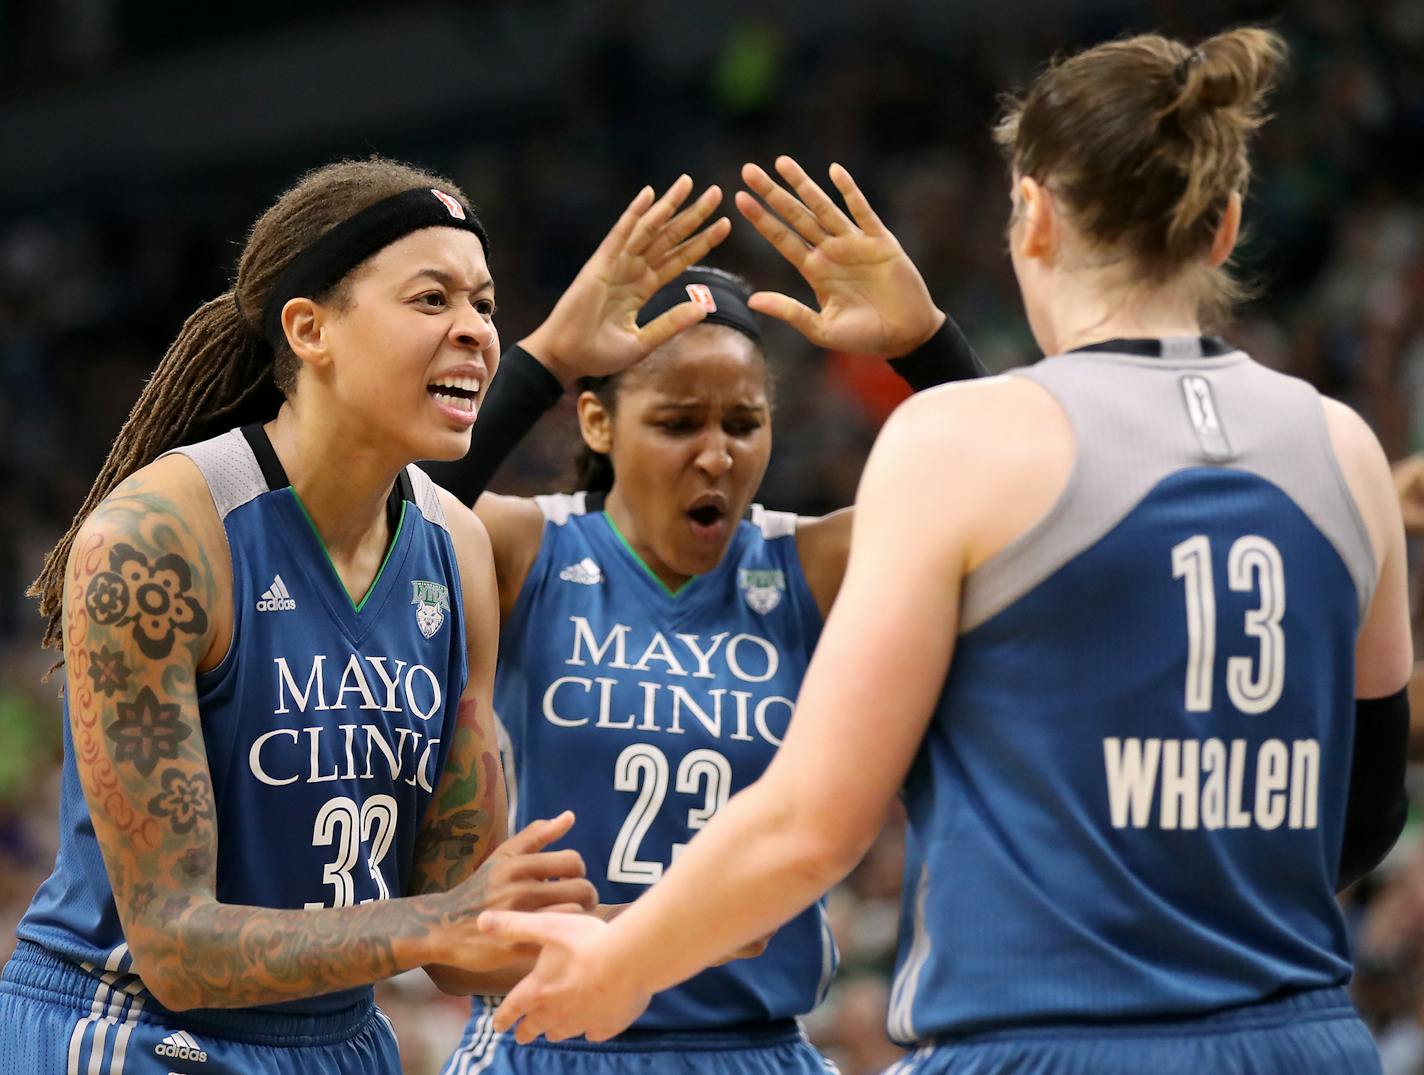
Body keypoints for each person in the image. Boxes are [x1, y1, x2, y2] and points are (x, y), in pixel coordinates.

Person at [478, 28, 1415, 1075]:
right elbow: (1366, 812)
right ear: (1225, 223)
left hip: (1052, 1039)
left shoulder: (957, 442)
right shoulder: (1343, 448)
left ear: (1032, 216)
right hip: (1307, 1041)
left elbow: (808, 828)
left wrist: (618, 963)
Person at [2, 157, 726, 1074]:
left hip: (340, 1038)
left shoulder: (456, 551)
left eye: (485, 305)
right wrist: (441, 921)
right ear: (310, 330)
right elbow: (175, 947)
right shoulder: (160, 540)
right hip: (132, 1026)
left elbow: (463, 937)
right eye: (432, 300)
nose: (474, 331)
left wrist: (673, 920)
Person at [432, 156, 987, 1074]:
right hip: (549, 1039)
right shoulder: (528, 549)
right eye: (679, 421)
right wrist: (548, 358)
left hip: (753, 1047)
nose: (717, 454)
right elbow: (381, 519)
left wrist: (923, 339)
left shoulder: (810, 563)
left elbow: (1020, 500)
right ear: (600, 425)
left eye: (743, 422)